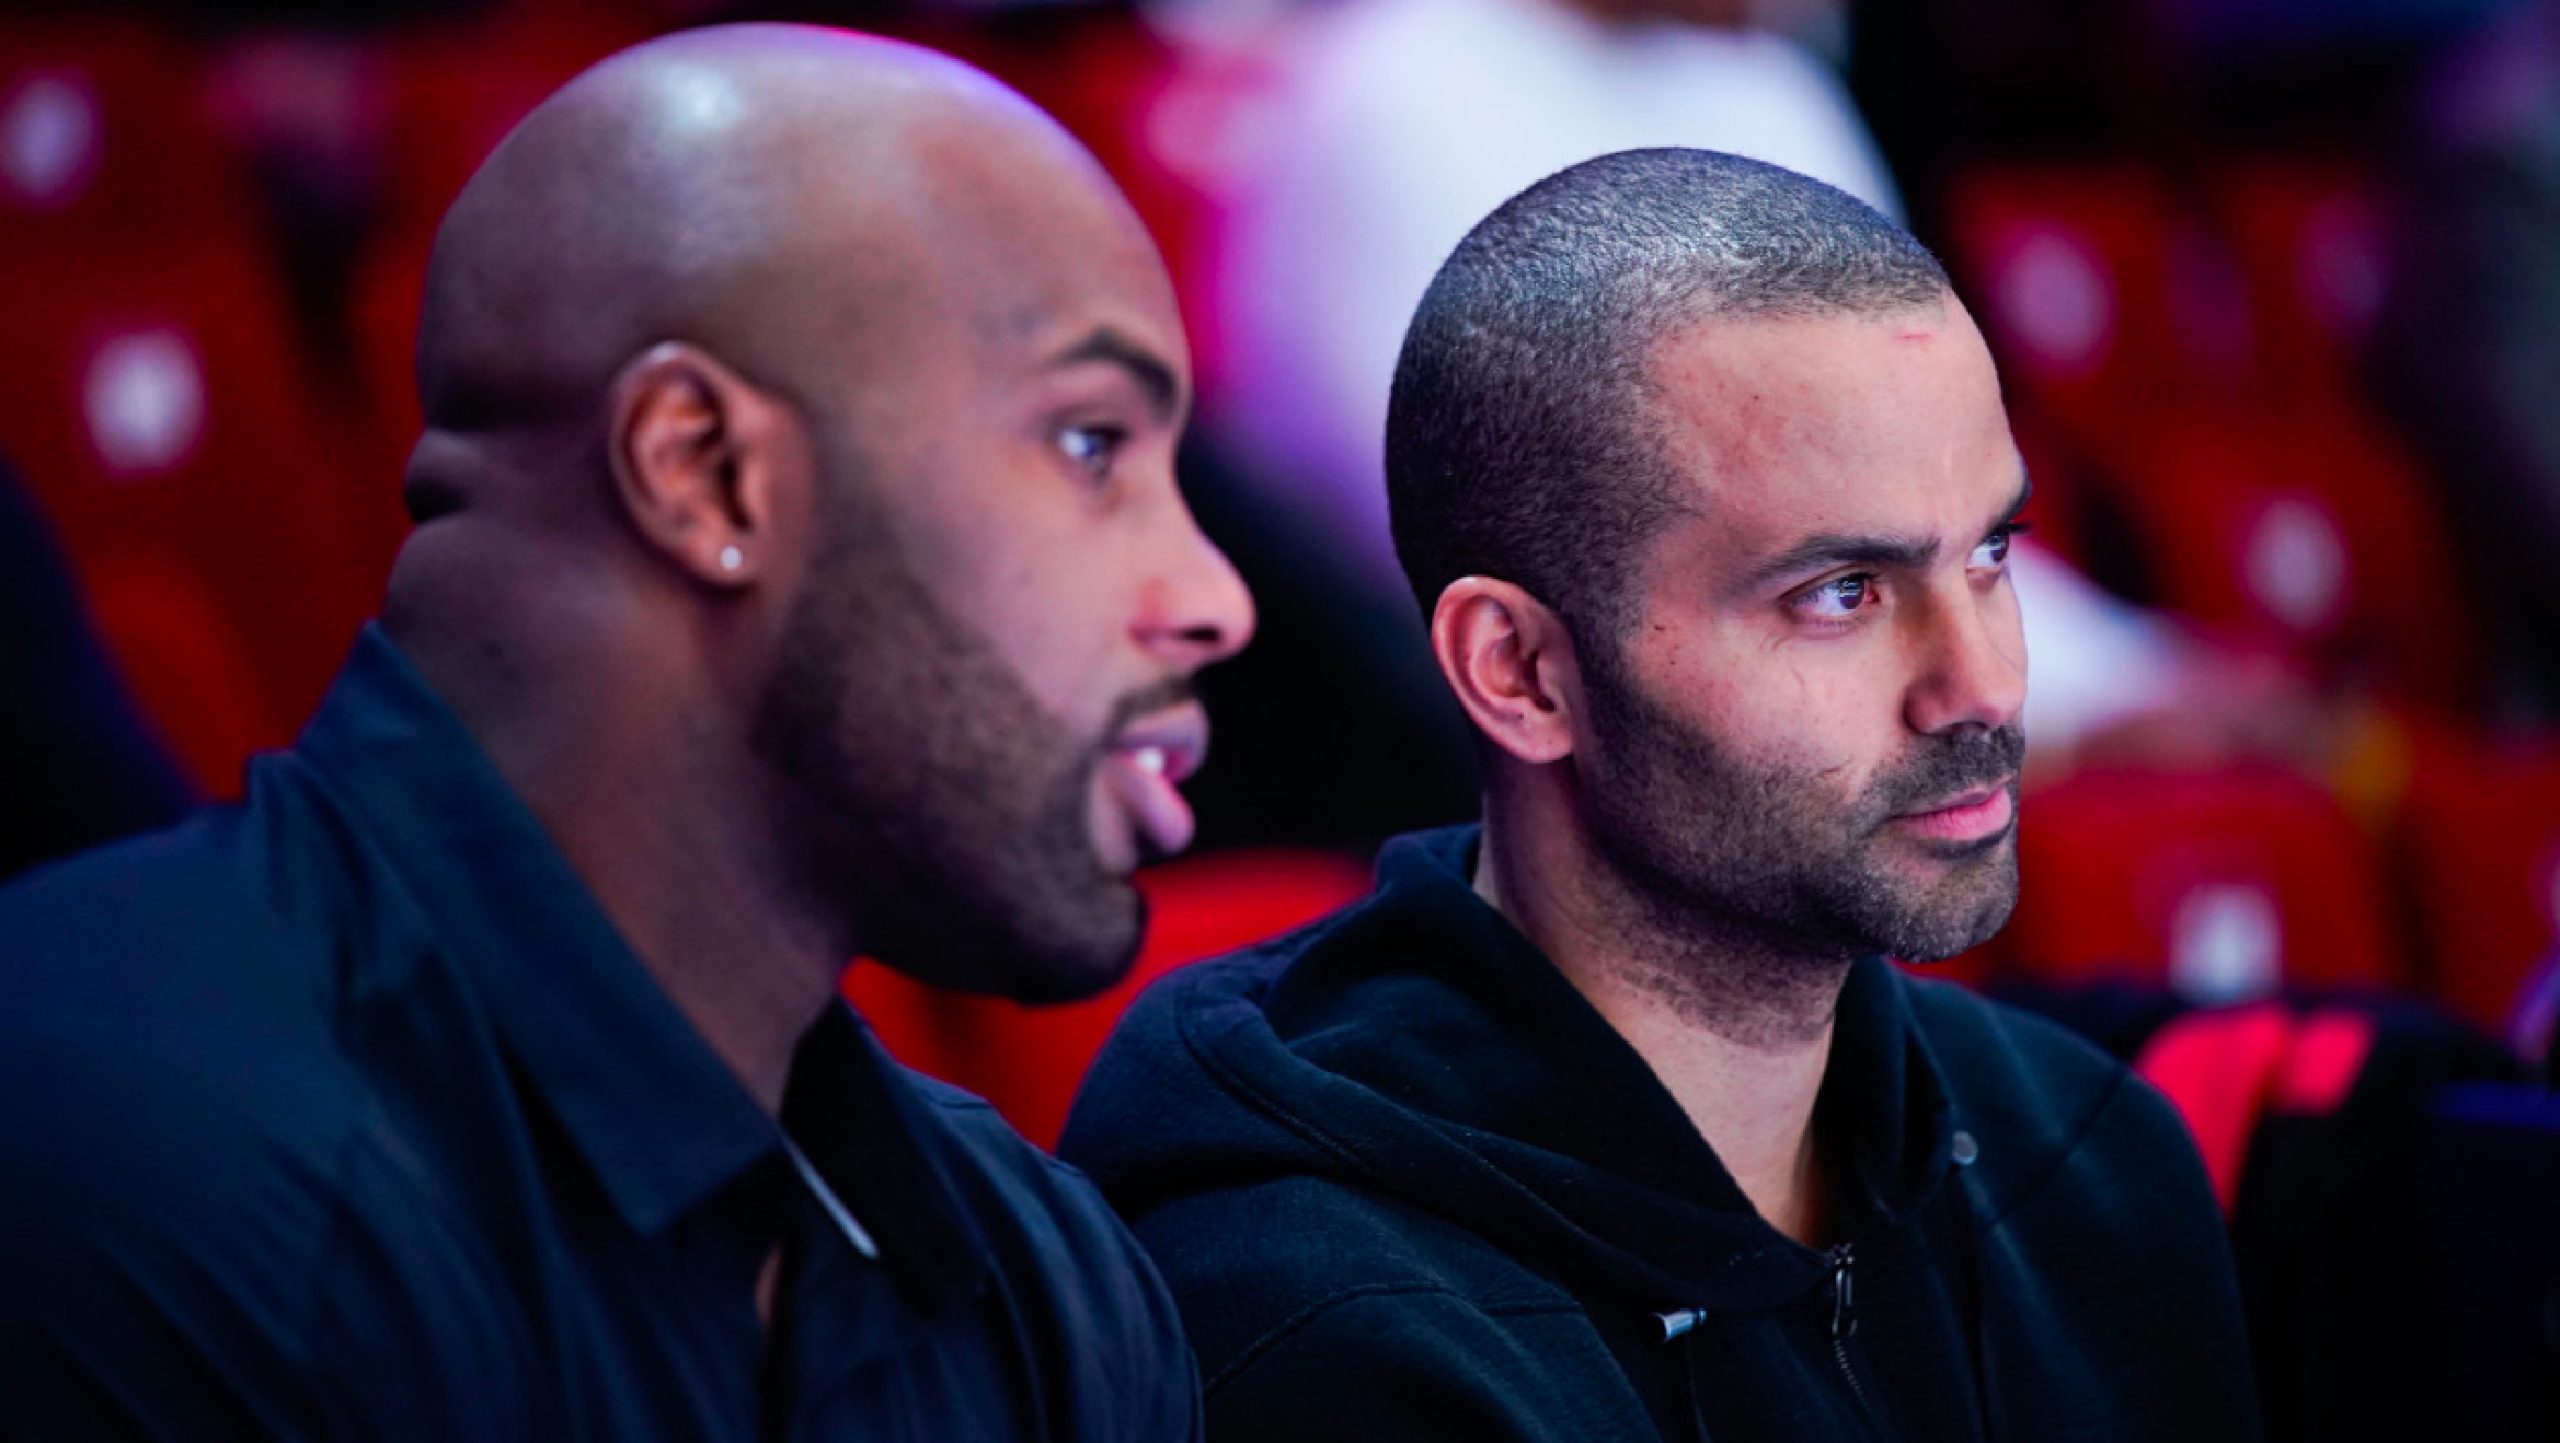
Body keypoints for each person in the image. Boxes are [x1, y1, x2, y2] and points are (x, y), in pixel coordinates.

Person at [0, 24, 1250, 1440]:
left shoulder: (1051, 1281)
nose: (1216, 598)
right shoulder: (128, 1184)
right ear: (703, 473)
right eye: (1091, 444)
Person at [1063, 149, 2258, 1440]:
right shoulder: (1324, 1333)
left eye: (1989, 556)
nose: (1981, 686)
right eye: (1841, 595)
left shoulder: (2096, 1175)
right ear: (1520, 673)